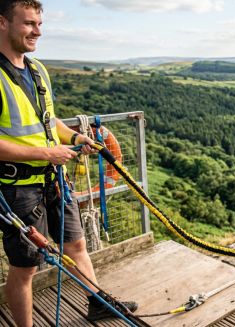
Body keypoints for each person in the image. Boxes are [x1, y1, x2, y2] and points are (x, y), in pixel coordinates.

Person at [0, 1, 137, 325]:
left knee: (76, 244)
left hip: (54, 179)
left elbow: (49, 121)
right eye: (29, 23)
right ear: (2, 23)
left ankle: (96, 301)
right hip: (19, 188)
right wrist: (47, 154)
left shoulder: (37, 70)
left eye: (40, 24)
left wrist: (75, 138)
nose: (38, 31)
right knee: (26, 266)